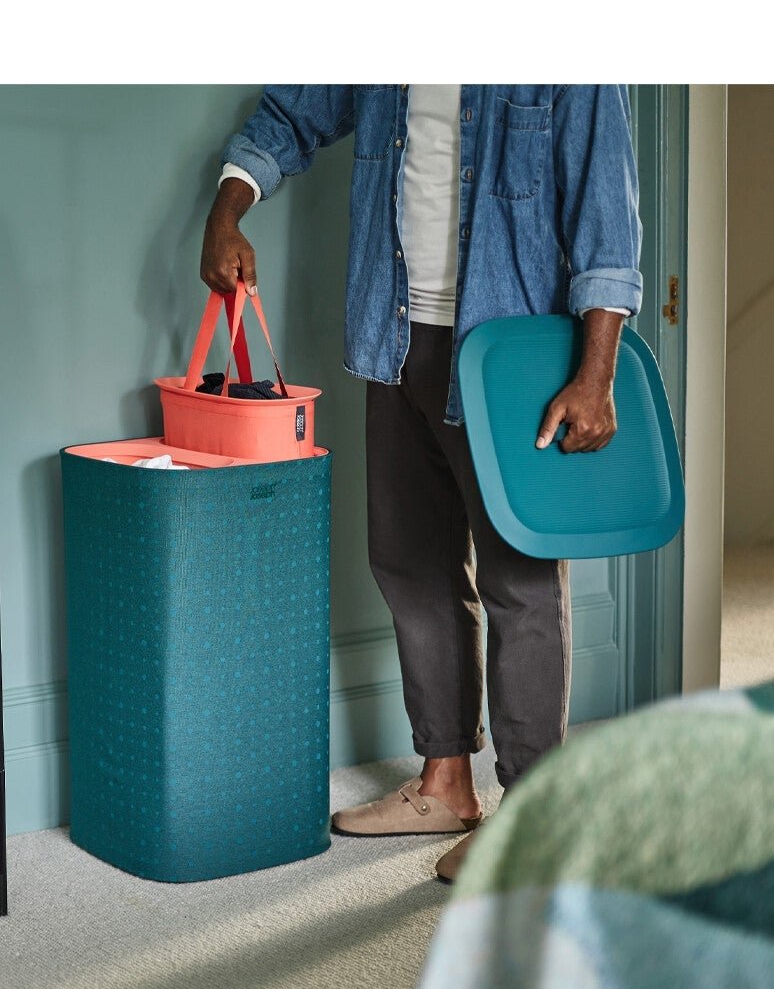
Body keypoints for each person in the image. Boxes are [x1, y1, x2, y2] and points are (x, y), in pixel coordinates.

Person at [201, 87, 643, 882]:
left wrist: (597, 373)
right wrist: (227, 210)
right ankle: (446, 783)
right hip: (395, 338)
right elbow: (295, 111)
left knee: (520, 582)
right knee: (411, 563)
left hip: (509, 353)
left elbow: (604, 203)